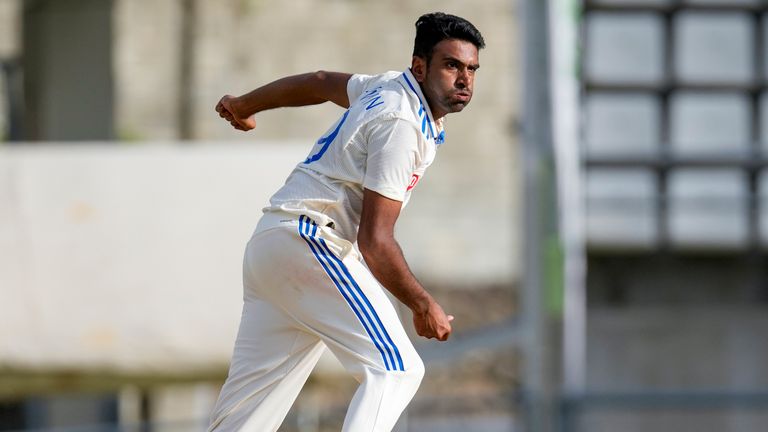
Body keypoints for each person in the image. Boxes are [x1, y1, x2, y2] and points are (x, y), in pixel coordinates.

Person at [208, 12, 485, 432]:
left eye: (471, 69)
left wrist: (246, 104)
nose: (464, 79)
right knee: (397, 370)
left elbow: (320, 82)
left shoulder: (387, 86)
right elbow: (375, 241)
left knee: (244, 419)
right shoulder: (402, 124)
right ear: (420, 67)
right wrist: (422, 303)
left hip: (272, 244)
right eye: (452, 66)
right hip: (311, 241)